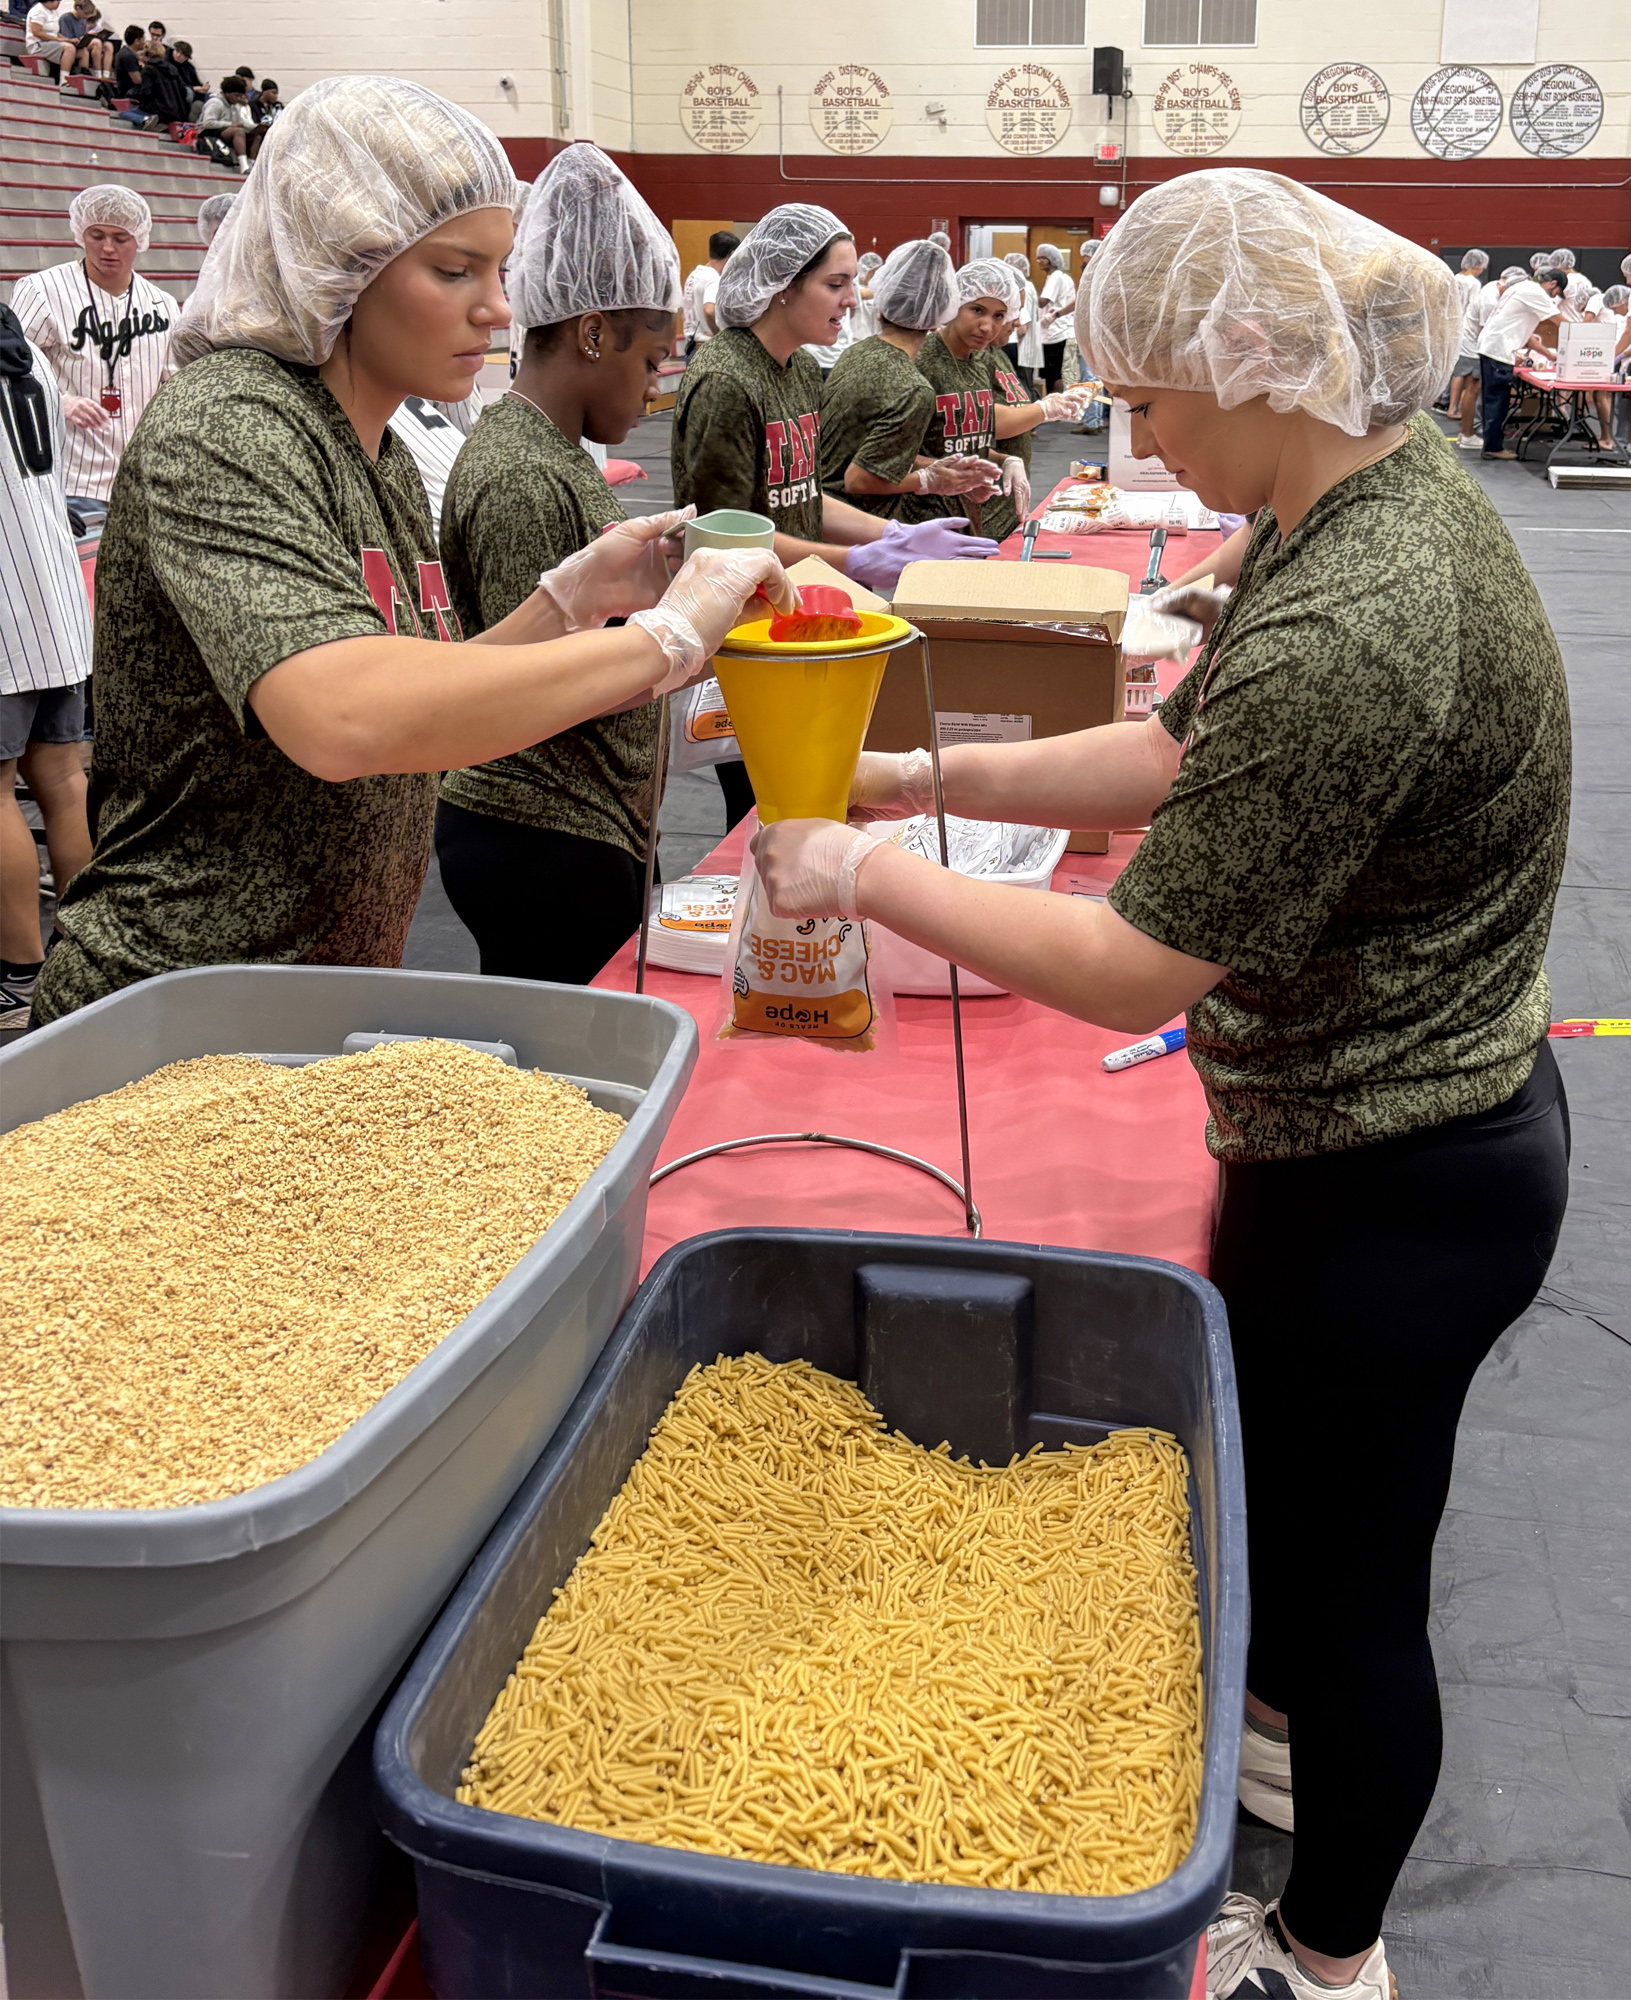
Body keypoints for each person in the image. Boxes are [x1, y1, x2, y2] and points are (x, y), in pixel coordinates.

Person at [753, 166, 1570, 2000]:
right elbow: (1158, 757)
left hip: (1397, 1173)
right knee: (1316, 1527)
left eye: (1151, 398)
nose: (1143, 437)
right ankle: (1276, 1748)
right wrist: (915, 779)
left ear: (1260, 360)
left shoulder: (1358, 612)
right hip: (1364, 1134)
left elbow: (1134, 966)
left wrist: (866, 875)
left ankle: (1328, 1954)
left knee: (1358, 1593)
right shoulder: (1337, 508)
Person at [30, 75, 793, 1028]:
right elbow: (345, 718)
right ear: (338, 260)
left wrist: (565, 604)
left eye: (499, 272)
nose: (498, 310)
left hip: (300, 999)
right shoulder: (232, 420)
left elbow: (413, 690)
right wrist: (669, 636)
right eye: (454, 271)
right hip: (174, 1004)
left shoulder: (380, 454)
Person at [433, 142, 681, 985]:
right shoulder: (521, 474)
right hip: (539, 829)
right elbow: (539, 689)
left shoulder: (555, 455)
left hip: (580, 817)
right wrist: (687, 643)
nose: (653, 390)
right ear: (592, 332)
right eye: (650, 363)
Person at [672, 203, 995, 828]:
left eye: (852, 283)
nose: (853, 299)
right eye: (836, 283)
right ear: (783, 285)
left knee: (817, 794)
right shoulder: (726, 382)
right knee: (766, 803)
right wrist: (859, 559)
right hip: (746, 633)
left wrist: (893, 532)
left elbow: (801, 498)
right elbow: (730, 540)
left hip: (799, 613)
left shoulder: (797, 370)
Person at [1, 302, 93, 1025]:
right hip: (56, 599)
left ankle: (19, 978)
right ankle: (86, 957)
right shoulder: (26, 351)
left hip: (5, 607)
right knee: (62, 781)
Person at [904, 258, 1096, 544]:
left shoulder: (978, 359)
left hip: (978, 509)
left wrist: (1005, 460)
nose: (989, 325)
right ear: (955, 303)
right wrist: (1045, 409)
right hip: (930, 517)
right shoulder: (926, 360)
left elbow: (971, 435)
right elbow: (890, 457)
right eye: (977, 310)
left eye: (1001, 315)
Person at [9, 185, 175, 516]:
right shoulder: (41, 290)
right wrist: (61, 400)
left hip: (147, 480)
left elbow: (174, 384)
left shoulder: (163, 304)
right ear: (80, 234)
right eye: (96, 235)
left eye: (120, 238)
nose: (107, 248)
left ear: (140, 240)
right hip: (73, 478)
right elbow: (12, 370)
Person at [819, 238, 997, 522]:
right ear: (943, 311)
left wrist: (940, 468)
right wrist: (930, 481)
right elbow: (859, 479)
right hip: (858, 524)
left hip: (822, 513)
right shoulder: (913, 388)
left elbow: (875, 449)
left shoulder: (858, 352)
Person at [1476, 263, 1567, 459]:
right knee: (1497, 400)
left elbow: (1527, 336)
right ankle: (1493, 447)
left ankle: (1491, 445)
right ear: (1552, 284)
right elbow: (1563, 324)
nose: (1555, 297)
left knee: (1493, 398)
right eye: (1557, 292)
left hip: (1492, 346)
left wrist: (1549, 355)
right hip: (1498, 349)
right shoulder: (1536, 293)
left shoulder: (1522, 287)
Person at [1443, 249, 1488, 442]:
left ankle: (1451, 405)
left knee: (1457, 370)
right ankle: (1458, 409)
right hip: (1466, 329)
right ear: (1478, 265)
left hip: (1451, 326)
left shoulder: (1454, 278)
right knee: (1469, 375)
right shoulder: (1474, 283)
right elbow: (1473, 307)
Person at [680, 228, 736, 357]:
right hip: (707, 349)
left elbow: (683, 309)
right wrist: (719, 335)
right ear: (732, 254)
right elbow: (709, 310)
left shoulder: (694, 275)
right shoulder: (713, 278)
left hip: (692, 346)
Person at [1035, 243, 1075, 395]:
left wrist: (1026, 292)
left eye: (1043, 258)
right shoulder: (1058, 277)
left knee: (1054, 375)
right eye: (1038, 258)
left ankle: (1056, 403)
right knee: (1053, 374)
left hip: (1057, 333)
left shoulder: (1056, 277)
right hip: (1056, 332)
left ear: (1052, 260)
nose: (1039, 261)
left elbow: (1043, 302)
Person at [1003, 249, 1043, 393]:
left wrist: (1018, 340)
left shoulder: (1020, 287)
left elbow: (1023, 322)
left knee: (1022, 389)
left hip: (1020, 346)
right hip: (1026, 346)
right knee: (1026, 386)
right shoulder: (1028, 286)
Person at [196, 73, 255, 171]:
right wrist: (230, 124)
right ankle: (243, 165)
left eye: (241, 96)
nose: (239, 99)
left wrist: (257, 127)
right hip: (208, 132)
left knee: (256, 135)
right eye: (236, 96)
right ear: (227, 93)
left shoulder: (235, 106)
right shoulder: (215, 103)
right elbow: (207, 123)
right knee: (238, 132)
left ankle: (253, 163)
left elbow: (241, 123)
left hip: (225, 130)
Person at [56, 0, 114, 80]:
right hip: (72, 44)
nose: (87, 17)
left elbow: (83, 34)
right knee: (95, 43)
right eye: (86, 14)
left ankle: (106, 74)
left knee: (108, 45)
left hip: (82, 42)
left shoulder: (83, 20)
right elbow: (66, 38)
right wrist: (83, 37)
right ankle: (97, 74)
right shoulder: (66, 18)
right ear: (78, 9)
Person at [25, 0, 80, 81]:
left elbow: (55, 33)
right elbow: (37, 32)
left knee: (82, 52)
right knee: (69, 48)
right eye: (57, 1)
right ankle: (64, 80)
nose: (59, 3)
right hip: (37, 45)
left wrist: (68, 40)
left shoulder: (53, 12)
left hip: (51, 43)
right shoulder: (38, 10)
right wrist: (58, 40)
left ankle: (80, 78)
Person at [850, 250, 883, 341]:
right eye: (873, 272)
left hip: (876, 338)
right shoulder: (852, 285)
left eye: (878, 271)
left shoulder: (879, 286)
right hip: (857, 339)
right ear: (863, 270)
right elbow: (856, 295)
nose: (876, 275)